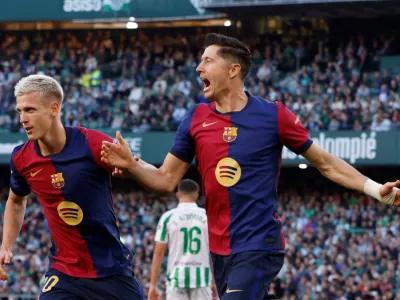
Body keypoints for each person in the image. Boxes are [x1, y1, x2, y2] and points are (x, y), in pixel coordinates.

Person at [100, 33, 400, 300]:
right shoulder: (195, 118)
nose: (198, 68)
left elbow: (326, 163)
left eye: (207, 61)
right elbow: (165, 180)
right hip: (218, 248)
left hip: (260, 242)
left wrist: (376, 189)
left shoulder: (273, 116)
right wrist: (133, 165)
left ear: (233, 70)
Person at [0, 74, 144, 300]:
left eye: (30, 110)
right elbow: (17, 200)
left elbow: (136, 167)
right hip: (63, 273)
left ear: (54, 108)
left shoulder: (92, 143)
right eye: (20, 111)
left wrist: (132, 170)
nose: (22, 119)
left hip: (110, 270)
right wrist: (5, 245)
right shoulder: (21, 158)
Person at [148, 179, 218, 300]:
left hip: (176, 278)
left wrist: (153, 285)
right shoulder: (207, 217)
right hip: (201, 278)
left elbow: (159, 253)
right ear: (196, 196)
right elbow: (213, 252)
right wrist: (214, 281)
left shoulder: (168, 217)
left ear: (178, 195)